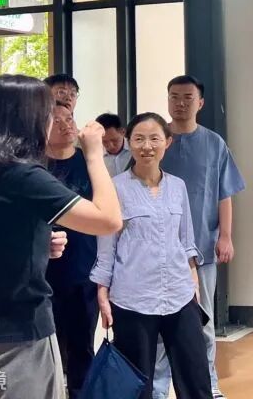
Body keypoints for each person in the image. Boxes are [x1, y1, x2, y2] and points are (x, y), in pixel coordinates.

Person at [0, 74, 123, 399]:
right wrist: (94, 154)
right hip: (19, 345)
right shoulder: (23, 175)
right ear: (29, 119)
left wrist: (31, 245)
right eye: (47, 113)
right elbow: (109, 220)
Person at [92, 113, 213, 399]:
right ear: (129, 142)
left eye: (155, 139)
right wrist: (102, 294)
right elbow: (106, 248)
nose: (147, 146)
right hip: (132, 297)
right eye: (139, 139)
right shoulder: (115, 188)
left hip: (180, 293)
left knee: (196, 378)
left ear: (167, 142)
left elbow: (186, 242)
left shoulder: (178, 186)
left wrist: (194, 284)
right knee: (137, 383)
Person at [153, 75, 245, 399]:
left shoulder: (214, 143)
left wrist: (226, 236)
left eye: (187, 97)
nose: (180, 103)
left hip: (202, 247)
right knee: (159, 320)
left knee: (202, 319)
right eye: (174, 96)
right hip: (158, 248)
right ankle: (158, 389)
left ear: (200, 102)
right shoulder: (156, 139)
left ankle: (209, 383)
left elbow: (224, 194)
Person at [46, 102, 101, 399]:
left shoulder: (89, 162)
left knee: (83, 345)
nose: (66, 124)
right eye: (56, 120)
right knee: (49, 347)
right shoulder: (35, 165)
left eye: (69, 118)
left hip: (84, 269)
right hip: (43, 274)